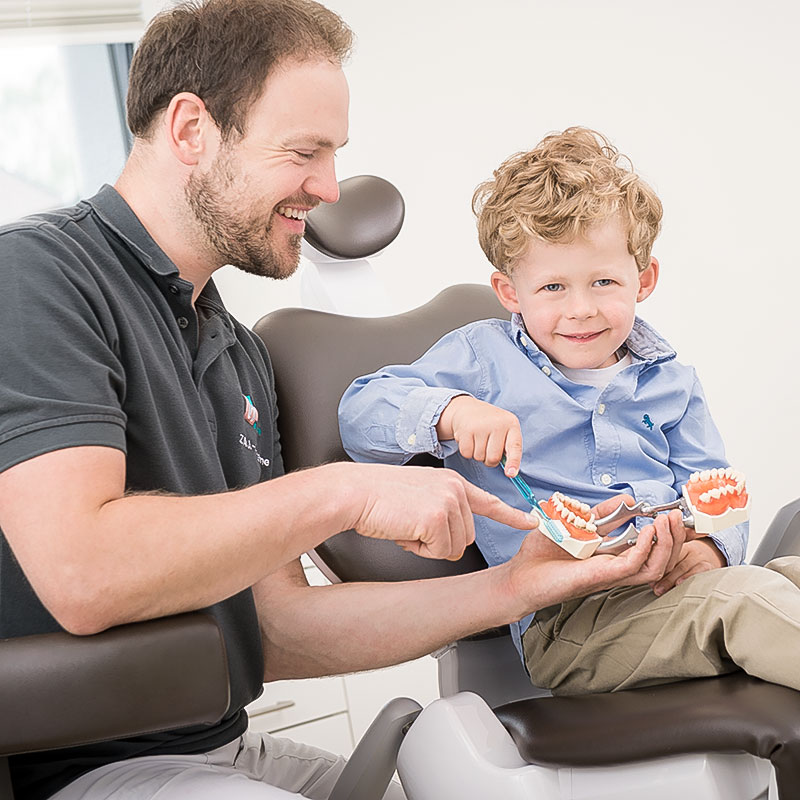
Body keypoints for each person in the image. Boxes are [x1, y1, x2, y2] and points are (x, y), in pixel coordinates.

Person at [0, 6, 691, 800]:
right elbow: (81, 570)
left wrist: (519, 586)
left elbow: (277, 628)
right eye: (304, 152)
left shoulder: (238, 352)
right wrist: (345, 491)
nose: (328, 188)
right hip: (84, 769)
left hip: (228, 748)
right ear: (191, 129)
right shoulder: (38, 278)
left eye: (335, 155)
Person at [339, 126, 800, 698]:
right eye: (553, 287)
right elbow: (360, 411)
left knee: (786, 575)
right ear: (511, 292)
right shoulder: (482, 358)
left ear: (643, 279)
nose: (581, 309)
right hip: (571, 622)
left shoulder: (673, 383)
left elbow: (714, 488)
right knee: (749, 603)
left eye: (603, 281)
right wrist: (452, 411)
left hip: (676, 588)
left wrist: (709, 548)